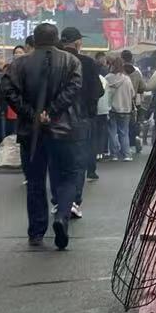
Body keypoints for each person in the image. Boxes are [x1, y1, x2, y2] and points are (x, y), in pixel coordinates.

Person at [0, 22, 82, 249]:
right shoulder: (71, 61)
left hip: (30, 131)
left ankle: (36, 231)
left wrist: (32, 114)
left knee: (35, 180)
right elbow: (73, 90)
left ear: (34, 40)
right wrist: (52, 111)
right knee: (67, 176)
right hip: (64, 129)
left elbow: (7, 90)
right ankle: (62, 215)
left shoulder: (20, 63)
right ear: (56, 39)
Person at [58, 27, 102, 210]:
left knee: (59, 160)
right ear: (78, 43)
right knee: (78, 161)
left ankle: (59, 199)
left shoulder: (53, 62)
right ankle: (74, 200)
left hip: (57, 118)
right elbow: (98, 91)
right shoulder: (88, 63)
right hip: (81, 118)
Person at [107, 61, 137, 161]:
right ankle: (126, 155)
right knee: (124, 132)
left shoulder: (107, 78)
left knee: (112, 132)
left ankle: (114, 154)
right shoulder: (127, 79)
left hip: (112, 109)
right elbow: (133, 94)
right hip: (126, 110)